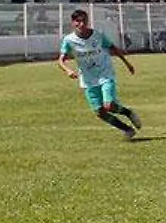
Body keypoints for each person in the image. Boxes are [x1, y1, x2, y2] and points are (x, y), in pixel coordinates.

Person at [58, 9, 143, 139]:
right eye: (78, 21)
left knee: (108, 105)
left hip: (105, 74)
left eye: (84, 21)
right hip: (88, 79)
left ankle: (128, 112)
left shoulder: (98, 35)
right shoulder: (69, 40)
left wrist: (127, 63)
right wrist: (68, 70)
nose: (81, 24)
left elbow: (113, 48)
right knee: (100, 112)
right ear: (73, 23)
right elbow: (60, 60)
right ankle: (127, 129)